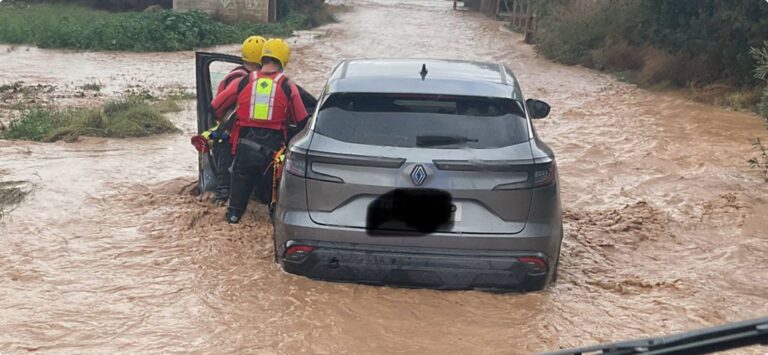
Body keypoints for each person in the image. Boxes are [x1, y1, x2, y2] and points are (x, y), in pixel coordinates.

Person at [223, 38, 310, 224]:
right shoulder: (287, 86)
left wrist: (229, 127)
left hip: (244, 149)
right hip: (273, 155)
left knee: (234, 212)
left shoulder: (244, 80)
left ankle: (233, 216)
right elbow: (302, 121)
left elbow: (216, 107)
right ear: (283, 60)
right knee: (271, 209)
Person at [195, 36, 266, 204]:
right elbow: (215, 108)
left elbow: (214, 108)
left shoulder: (242, 77)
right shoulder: (242, 80)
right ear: (261, 61)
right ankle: (224, 193)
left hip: (235, 138)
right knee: (226, 141)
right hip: (229, 138)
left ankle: (225, 193)